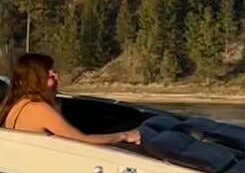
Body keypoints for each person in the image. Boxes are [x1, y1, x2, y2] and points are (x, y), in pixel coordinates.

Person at [0, 53, 141, 147]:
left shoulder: (18, 103)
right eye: (48, 71)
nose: (54, 74)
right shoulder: (39, 109)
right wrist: (125, 135)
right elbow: (84, 141)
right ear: (35, 77)